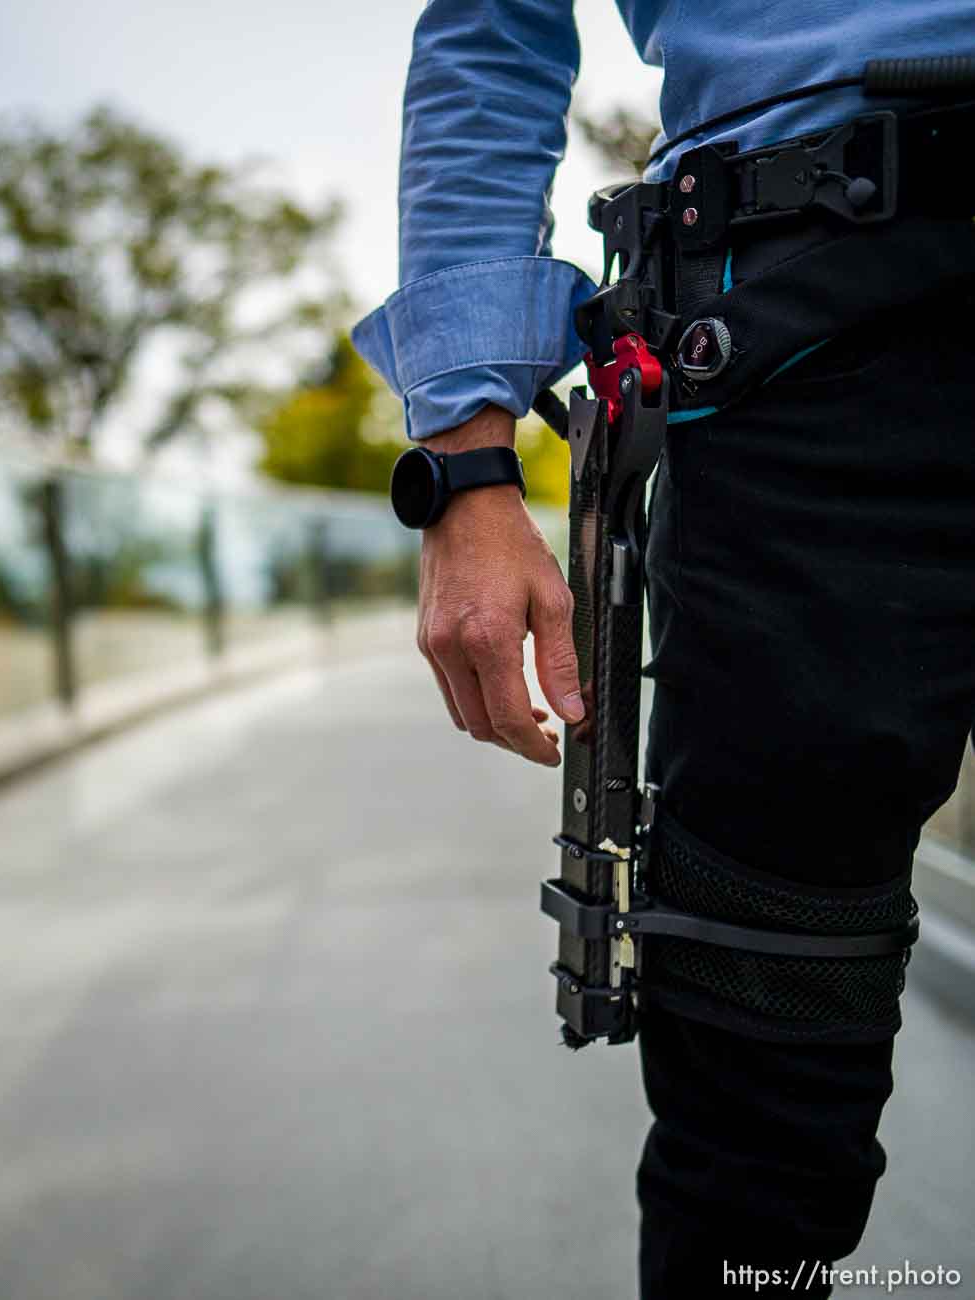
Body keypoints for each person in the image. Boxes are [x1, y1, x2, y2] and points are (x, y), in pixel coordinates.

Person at [351, 3, 975, 1296]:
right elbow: (492, 24)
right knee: (765, 1118)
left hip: (809, 297)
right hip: (819, 320)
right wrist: (464, 461)